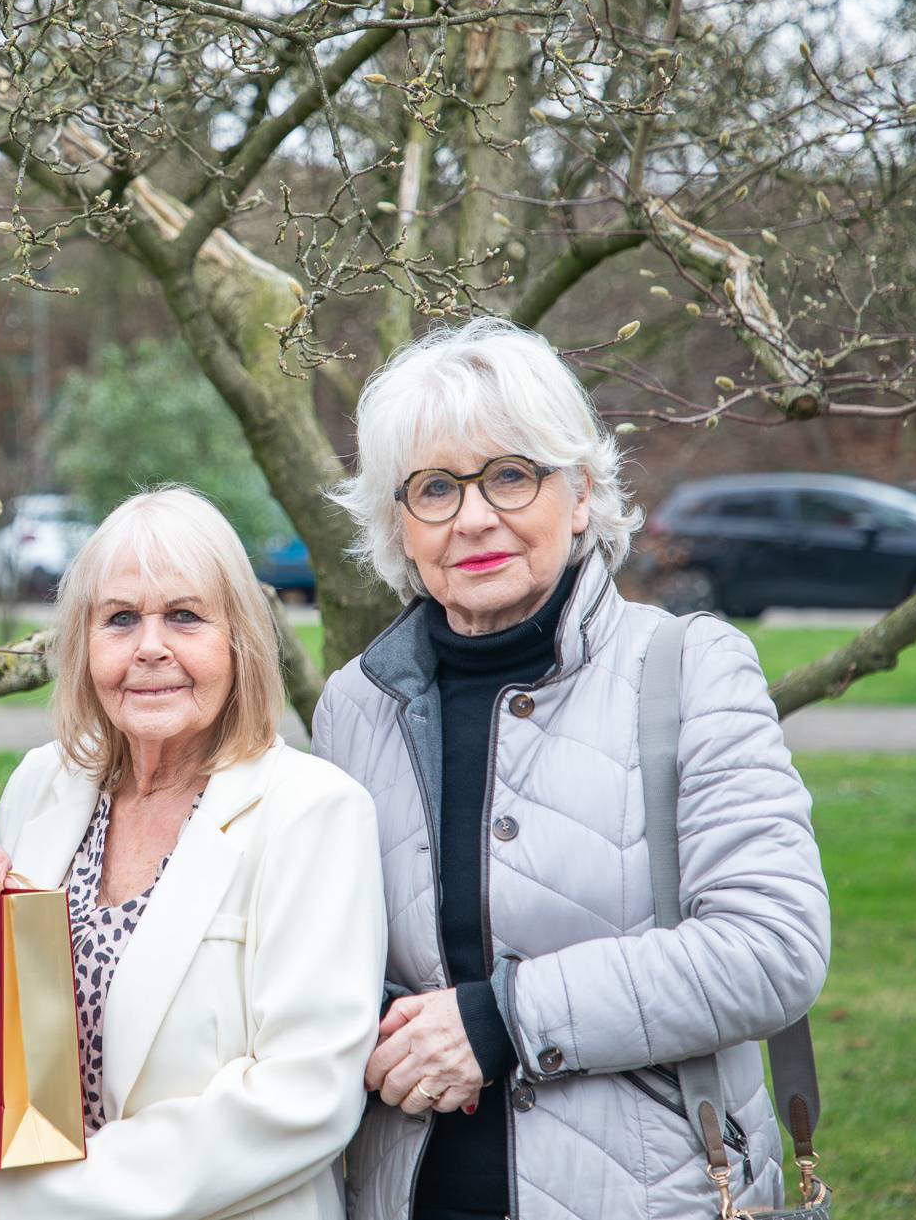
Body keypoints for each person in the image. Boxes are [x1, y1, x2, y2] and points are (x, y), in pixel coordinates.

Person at [312, 317, 832, 1219]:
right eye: (435, 487)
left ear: (581, 492)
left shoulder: (686, 668)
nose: (474, 516)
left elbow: (773, 946)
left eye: (510, 474)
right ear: (399, 524)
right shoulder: (354, 706)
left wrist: (502, 1020)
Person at [0, 487, 386, 1220]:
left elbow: (305, 1097)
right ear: (84, 644)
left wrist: (41, 1193)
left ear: (239, 638)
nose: (149, 646)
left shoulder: (312, 811)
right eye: (120, 619)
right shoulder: (44, 786)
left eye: (184, 615)